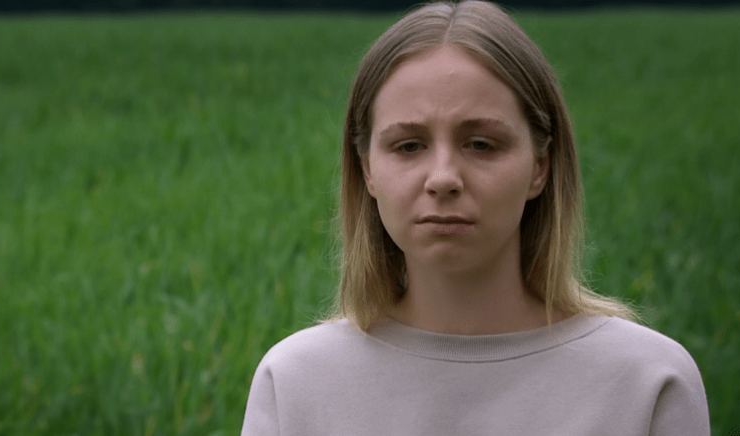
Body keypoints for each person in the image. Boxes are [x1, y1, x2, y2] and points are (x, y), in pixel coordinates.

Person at [241, 1, 709, 435]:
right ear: (367, 169)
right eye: (409, 146)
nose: (443, 178)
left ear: (540, 168)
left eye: (481, 144)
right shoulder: (295, 382)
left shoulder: (647, 381)